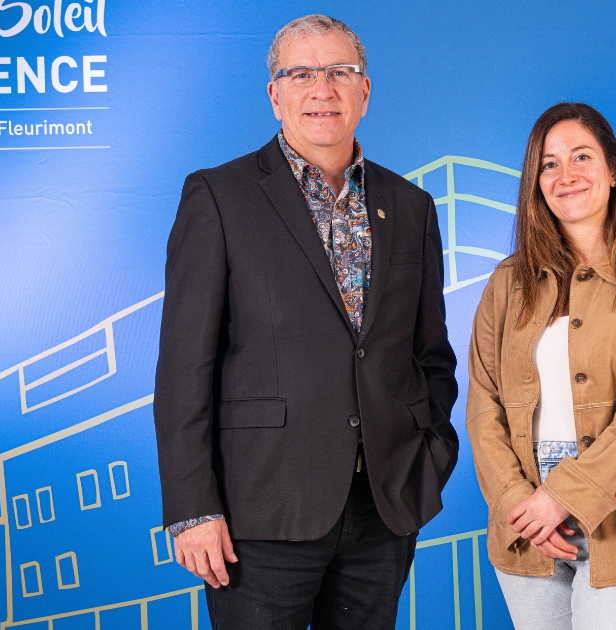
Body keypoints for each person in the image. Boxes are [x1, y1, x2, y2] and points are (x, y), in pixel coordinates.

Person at [152, 14, 459, 630]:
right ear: (276, 95)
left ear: (364, 92)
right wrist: (192, 508)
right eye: (301, 73)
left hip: (382, 509)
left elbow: (430, 355)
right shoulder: (218, 196)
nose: (322, 89)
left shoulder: (410, 206)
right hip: (259, 512)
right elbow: (185, 369)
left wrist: (429, 456)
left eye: (340, 72)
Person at [466, 102, 616, 629]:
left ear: (613, 171)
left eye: (581, 157)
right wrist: (518, 503)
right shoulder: (506, 284)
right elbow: (484, 406)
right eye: (548, 164)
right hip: (526, 522)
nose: (565, 175)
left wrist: (562, 497)